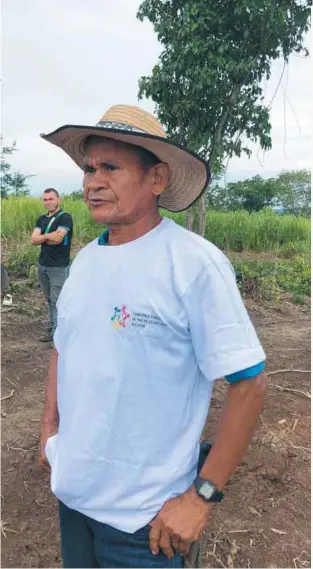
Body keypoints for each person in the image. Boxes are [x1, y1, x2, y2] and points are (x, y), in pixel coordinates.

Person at [39, 105, 267, 569]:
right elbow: (64, 349)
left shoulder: (192, 264)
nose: (92, 182)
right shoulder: (84, 262)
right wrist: (49, 432)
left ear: (157, 179)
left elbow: (249, 382)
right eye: (88, 168)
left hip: (147, 523)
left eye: (111, 167)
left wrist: (201, 498)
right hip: (74, 497)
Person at [31, 188, 73, 342]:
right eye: (45, 199)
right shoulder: (41, 219)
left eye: (51, 199)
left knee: (59, 300)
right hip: (43, 265)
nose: (48, 202)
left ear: (58, 199)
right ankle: (52, 329)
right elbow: (33, 240)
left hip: (58, 267)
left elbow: (58, 240)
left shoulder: (65, 218)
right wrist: (48, 236)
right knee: (49, 299)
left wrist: (42, 238)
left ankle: (60, 334)